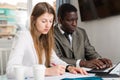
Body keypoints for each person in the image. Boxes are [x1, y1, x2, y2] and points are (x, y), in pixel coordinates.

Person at [6, 2, 87, 78]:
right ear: (33, 19)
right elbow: (10, 70)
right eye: (43, 21)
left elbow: (54, 59)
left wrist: (69, 67)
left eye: (50, 21)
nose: (48, 25)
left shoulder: (44, 38)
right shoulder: (23, 37)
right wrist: (46, 71)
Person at [54, 3, 112, 69]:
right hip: (63, 73)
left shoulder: (81, 32)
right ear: (60, 20)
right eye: (70, 20)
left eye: (76, 19)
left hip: (83, 73)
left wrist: (100, 60)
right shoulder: (50, 35)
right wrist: (83, 63)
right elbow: (56, 59)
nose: (74, 24)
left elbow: (90, 53)